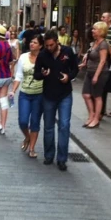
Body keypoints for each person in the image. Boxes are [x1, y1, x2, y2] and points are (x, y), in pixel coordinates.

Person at [33, 29, 79, 171]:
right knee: (48, 127)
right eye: (46, 45)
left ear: (57, 42)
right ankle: (49, 155)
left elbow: (75, 69)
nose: (49, 48)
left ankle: (62, 159)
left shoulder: (68, 52)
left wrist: (68, 77)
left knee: (64, 126)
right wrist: (43, 73)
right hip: (48, 95)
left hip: (65, 95)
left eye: (51, 45)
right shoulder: (42, 55)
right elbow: (36, 74)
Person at [10, 34, 44, 159]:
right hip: (25, 93)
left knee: (35, 122)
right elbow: (18, 75)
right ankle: (27, 137)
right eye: (31, 42)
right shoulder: (23, 57)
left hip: (39, 94)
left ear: (40, 45)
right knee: (23, 121)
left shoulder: (44, 57)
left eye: (35, 42)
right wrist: (13, 90)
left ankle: (32, 148)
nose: (31, 44)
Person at [80, 22, 110, 129]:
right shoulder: (94, 43)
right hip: (89, 71)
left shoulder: (103, 44)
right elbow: (91, 56)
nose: (92, 31)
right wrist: (84, 62)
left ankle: (96, 119)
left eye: (95, 29)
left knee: (97, 96)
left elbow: (102, 61)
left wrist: (96, 76)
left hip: (100, 73)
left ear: (101, 31)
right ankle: (91, 115)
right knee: (86, 94)